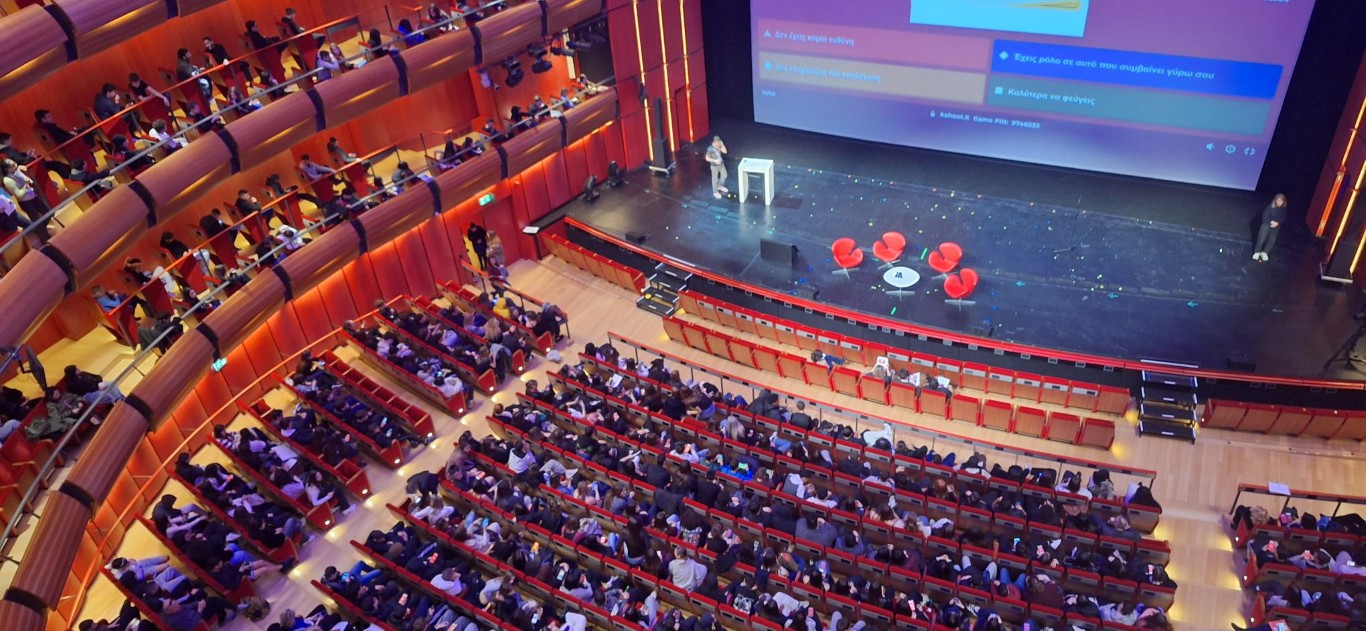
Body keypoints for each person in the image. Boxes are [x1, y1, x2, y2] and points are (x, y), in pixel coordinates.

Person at [2, 159, 52, 242]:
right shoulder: (7, 180)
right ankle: (45, 239)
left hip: (32, 195)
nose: (15, 165)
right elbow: (18, 195)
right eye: (12, 166)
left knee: (48, 212)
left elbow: (28, 180)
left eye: (14, 163)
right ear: (7, 169)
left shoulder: (17, 171)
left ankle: (42, 229)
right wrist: (25, 185)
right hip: (25, 202)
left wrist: (28, 181)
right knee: (37, 221)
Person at [1253, 194, 1287, 262]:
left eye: (1281, 201)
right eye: (1278, 200)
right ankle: (1257, 251)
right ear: (1275, 200)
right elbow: (1264, 217)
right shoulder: (1270, 207)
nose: (1279, 202)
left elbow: (1283, 218)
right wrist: (1271, 222)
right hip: (1266, 224)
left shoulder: (1284, 209)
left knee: (1272, 240)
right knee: (1262, 238)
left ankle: (1265, 252)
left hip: (1276, 226)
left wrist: (1277, 223)